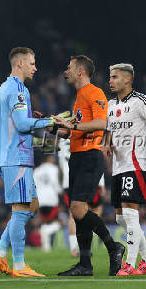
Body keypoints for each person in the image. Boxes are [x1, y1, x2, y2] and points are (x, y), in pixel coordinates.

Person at [0, 47, 72, 278]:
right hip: (16, 159)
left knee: (32, 206)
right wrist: (51, 121)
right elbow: (23, 125)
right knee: (21, 209)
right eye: (32, 63)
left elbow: (18, 129)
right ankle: (18, 265)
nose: (35, 68)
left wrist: (50, 137)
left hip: (15, 155)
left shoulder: (4, 89)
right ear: (20, 64)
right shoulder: (17, 90)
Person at [54, 55, 125, 276]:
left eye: (69, 68)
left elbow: (101, 123)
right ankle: (85, 264)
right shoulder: (79, 97)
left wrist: (72, 124)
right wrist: (54, 126)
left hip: (90, 156)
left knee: (78, 208)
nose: (66, 71)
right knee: (78, 212)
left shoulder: (94, 92)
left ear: (80, 71)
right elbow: (75, 129)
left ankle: (114, 247)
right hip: (76, 157)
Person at [105, 63, 146, 275]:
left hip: (136, 164)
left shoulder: (141, 101)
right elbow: (108, 130)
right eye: (110, 77)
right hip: (117, 167)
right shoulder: (110, 104)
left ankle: (130, 265)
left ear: (128, 79)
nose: (110, 81)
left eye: (115, 77)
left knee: (131, 213)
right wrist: (107, 142)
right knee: (120, 218)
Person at [58, 138, 105, 257]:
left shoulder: (61, 142)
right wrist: (102, 183)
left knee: (72, 215)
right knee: (96, 210)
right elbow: (94, 157)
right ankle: (86, 244)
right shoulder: (85, 133)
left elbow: (61, 164)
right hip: (86, 177)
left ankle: (75, 248)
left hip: (68, 181)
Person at [33, 155, 62, 252]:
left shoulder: (36, 171)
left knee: (45, 222)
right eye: (52, 157)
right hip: (51, 198)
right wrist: (60, 191)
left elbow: (34, 186)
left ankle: (46, 247)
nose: (53, 159)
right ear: (47, 158)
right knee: (58, 223)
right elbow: (55, 183)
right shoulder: (54, 169)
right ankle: (46, 231)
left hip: (41, 199)